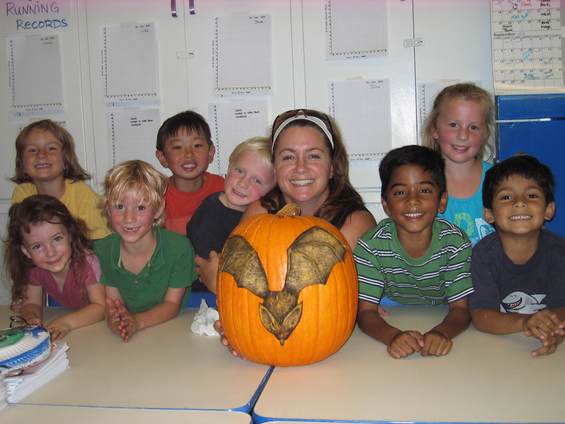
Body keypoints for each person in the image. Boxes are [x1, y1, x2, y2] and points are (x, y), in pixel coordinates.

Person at [216, 108, 377, 356]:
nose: (300, 168)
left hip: (334, 352)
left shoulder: (355, 225)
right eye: (288, 157)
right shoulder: (258, 215)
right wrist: (236, 328)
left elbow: (342, 306)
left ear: (332, 167)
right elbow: (233, 290)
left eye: (313, 156)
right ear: (275, 167)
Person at [355, 145, 473, 359]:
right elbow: (365, 313)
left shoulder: (455, 244)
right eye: (400, 192)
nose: (412, 200)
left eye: (425, 190)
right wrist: (392, 336)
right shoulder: (370, 246)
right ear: (386, 205)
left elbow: (461, 310)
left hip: (440, 313)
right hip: (391, 313)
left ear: (442, 200)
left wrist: (441, 333)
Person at [469, 155, 565, 357]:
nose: (520, 203)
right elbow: (482, 316)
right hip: (499, 349)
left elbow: (562, 308)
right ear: (489, 214)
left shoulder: (559, 253)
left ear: (549, 209)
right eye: (506, 197)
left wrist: (553, 332)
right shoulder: (483, 255)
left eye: (531, 196)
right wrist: (526, 322)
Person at [95, 160, 197, 342]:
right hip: (131, 342)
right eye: (119, 206)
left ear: (158, 209)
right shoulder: (104, 249)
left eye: (141, 207)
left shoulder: (179, 248)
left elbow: (172, 305)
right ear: (108, 209)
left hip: (174, 333)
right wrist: (115, 320)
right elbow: (113, 303)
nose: (129, 218)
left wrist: (137, 322)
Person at [5, 195, 106, 341]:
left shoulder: (87, 263)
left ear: (70, 235)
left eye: (57, 239)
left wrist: (65, 323)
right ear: (26, 251)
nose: (50, 252)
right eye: (37, 246)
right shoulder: (35, 269)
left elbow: (100, 308)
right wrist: (30, 316)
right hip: (75, 326)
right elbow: (32, 303)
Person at [188, 137, 275, 295]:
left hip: (238, 292)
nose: (243, 183)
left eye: (256, 180)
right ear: (228, 170)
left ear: (271, 192)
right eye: (239, 171)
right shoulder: (209, 214)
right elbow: (211, 264)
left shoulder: (263, 217)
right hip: (204, 293)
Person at [11, 119, 110, 240]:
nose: (41, 154)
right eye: (32, 150)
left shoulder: (81, 193)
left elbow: (102, 240)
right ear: (22, 164)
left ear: (66, 160)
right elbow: (20, 238)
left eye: (51, 148)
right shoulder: (22, 193)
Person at [423, 83, 495, 245]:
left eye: (474, 127)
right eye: (454, 125)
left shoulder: (501, 181)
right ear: (435, 129)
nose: (463, 135)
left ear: (485, 134)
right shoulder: (421, 185)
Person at [155, 110, 224, 235]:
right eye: (177, 147)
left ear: (210, 153)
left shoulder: (224, 189)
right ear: (162, 157)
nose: (188, 154)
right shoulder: (156, 195)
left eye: (197, 145)